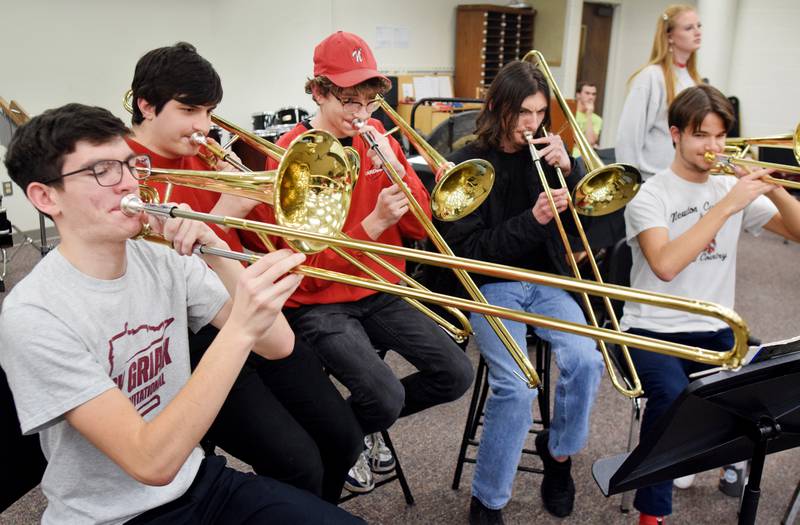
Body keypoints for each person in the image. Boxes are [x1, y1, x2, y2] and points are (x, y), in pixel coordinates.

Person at [0, 103, 363, 524]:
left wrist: (221, 255)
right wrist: (242, 326)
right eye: (101, 171)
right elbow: (150, 463)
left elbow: (278, 344)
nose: (129, 183)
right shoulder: (34, 313)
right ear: (46, 197)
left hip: (197, 482)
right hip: (113, 516)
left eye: (131, 164)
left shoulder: (164, 260)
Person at [227, 31, 473, 493]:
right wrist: (374, 224)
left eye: (370, 101)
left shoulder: (378, 137)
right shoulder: (289, 159)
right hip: (321, 304)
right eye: (348, 100)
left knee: (456, 374)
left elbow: (421, 231)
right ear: (318, 91)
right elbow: (303, 275)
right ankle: (348, 436)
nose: (361, 115)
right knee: (385, 394)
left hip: (380, 290)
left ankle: (350, 430)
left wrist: (407, 181)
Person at [126, 42, 362, 503]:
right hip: (197, 336)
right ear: (146, 106)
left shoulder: (208, 153)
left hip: (254, 311)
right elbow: (158, 271)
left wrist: (256, 195)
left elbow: (259, 236)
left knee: (345, 439)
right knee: (297, 463)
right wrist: (223, 210)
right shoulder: (126, 172)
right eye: (190, 110)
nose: (204, 126)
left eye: (210, 110)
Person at [620, 84, 800, 525]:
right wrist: (725, 206)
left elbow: (796, 232)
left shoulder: (726, 186)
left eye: (721, 136)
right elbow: (665, 264)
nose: (713, 147)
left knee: (772, 379)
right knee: (670, 397)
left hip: (718, 330)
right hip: (650, 330)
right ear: (676, 134)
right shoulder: (650, 196)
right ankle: (652, 514)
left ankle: (726, 457)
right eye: (702, 135)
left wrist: (774, 189)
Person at [442, 60, 605, 523]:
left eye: (539, 112)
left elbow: (585, 227)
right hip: (492, 287)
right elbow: (469, 253)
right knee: (516, 386)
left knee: (587, 360)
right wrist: (531, 221)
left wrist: (569, 173)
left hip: (548, 282)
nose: (532, 124)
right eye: (523, 113)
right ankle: (489, 500)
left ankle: (557, 456)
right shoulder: (468, 166)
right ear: (498, 108)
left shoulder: (547, 156)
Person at [616, 4, 703, 181]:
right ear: (670, 36)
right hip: (650, 180)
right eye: (688, 28)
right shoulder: (651, 77)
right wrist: (630, 184)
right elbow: (628, 137)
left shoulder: (693, 80)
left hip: (681, 179)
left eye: (699, 26)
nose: (697, 32)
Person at [572, 81, 603, 157]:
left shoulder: (597, 119)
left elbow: (590, 141)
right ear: (578, 95)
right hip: (569, 156)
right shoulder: (571, 112)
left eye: (593, 94)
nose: (591, 97)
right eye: (587, 93)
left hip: (585, 159)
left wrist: (589, 114)